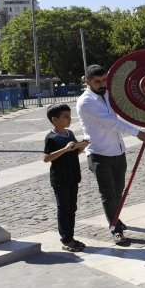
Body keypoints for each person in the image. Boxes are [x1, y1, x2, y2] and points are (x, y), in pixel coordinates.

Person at [77, 64, 145, 246]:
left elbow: (129, 106)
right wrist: (137, 132)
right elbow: (111, 123)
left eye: (105, 80)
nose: (103, 84)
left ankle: (115, 217)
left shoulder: (110, 94)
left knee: (118, 191)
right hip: (99, 154)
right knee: (108, 194)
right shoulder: (86, 102)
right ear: (87, 82)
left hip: (118, 151)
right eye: (97, 82)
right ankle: (115, 229)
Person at [43, 104, 90, 252]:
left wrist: (82, 146)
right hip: (60, 178)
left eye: (70, 116)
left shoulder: (69, 134)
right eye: (66, 117)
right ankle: (66, 239)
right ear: (55, 119)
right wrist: (64, 149)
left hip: (73, 175)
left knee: (72, 208)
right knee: (63, 209)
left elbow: (73, 152)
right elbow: (46, 158)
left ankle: (71, 237)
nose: (70, 119)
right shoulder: (51, 138)